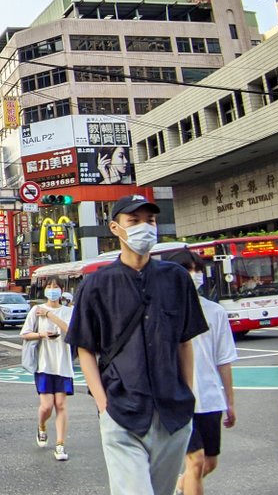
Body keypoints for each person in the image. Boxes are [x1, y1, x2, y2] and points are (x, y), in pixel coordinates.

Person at [66, 194, 207, 495]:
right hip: (121, 411)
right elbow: (85, 348)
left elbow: (185, 342)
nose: (145, 227)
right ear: (115, 228)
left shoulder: (177, 278)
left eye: (150, 221)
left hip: (173, 413)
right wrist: (103, 405)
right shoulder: (96, 285)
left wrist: (188, 394)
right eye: (134, 221)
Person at [164, 251, 237, 495]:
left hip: (210, 398)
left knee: (209, 462)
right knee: (195, 461)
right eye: (187, 269)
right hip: (180, 399)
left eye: (197, 270)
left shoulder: (215, 312)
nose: (194, 275)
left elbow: (224, 361)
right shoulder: (164, 312)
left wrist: (230, 402)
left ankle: (179, 485)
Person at [21, 279, 74, 461]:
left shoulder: (68, 311)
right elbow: (25, 334)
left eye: (56, 287)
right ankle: (42, 426)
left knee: (61, 404)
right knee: (46, 406)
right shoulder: (36, 311)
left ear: (62, 290)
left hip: (63, 364)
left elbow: (71, 331)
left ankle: (60, 445)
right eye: (49, 287)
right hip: (43, 363)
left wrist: (50, 315)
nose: (52, 290)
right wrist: (41, 334)